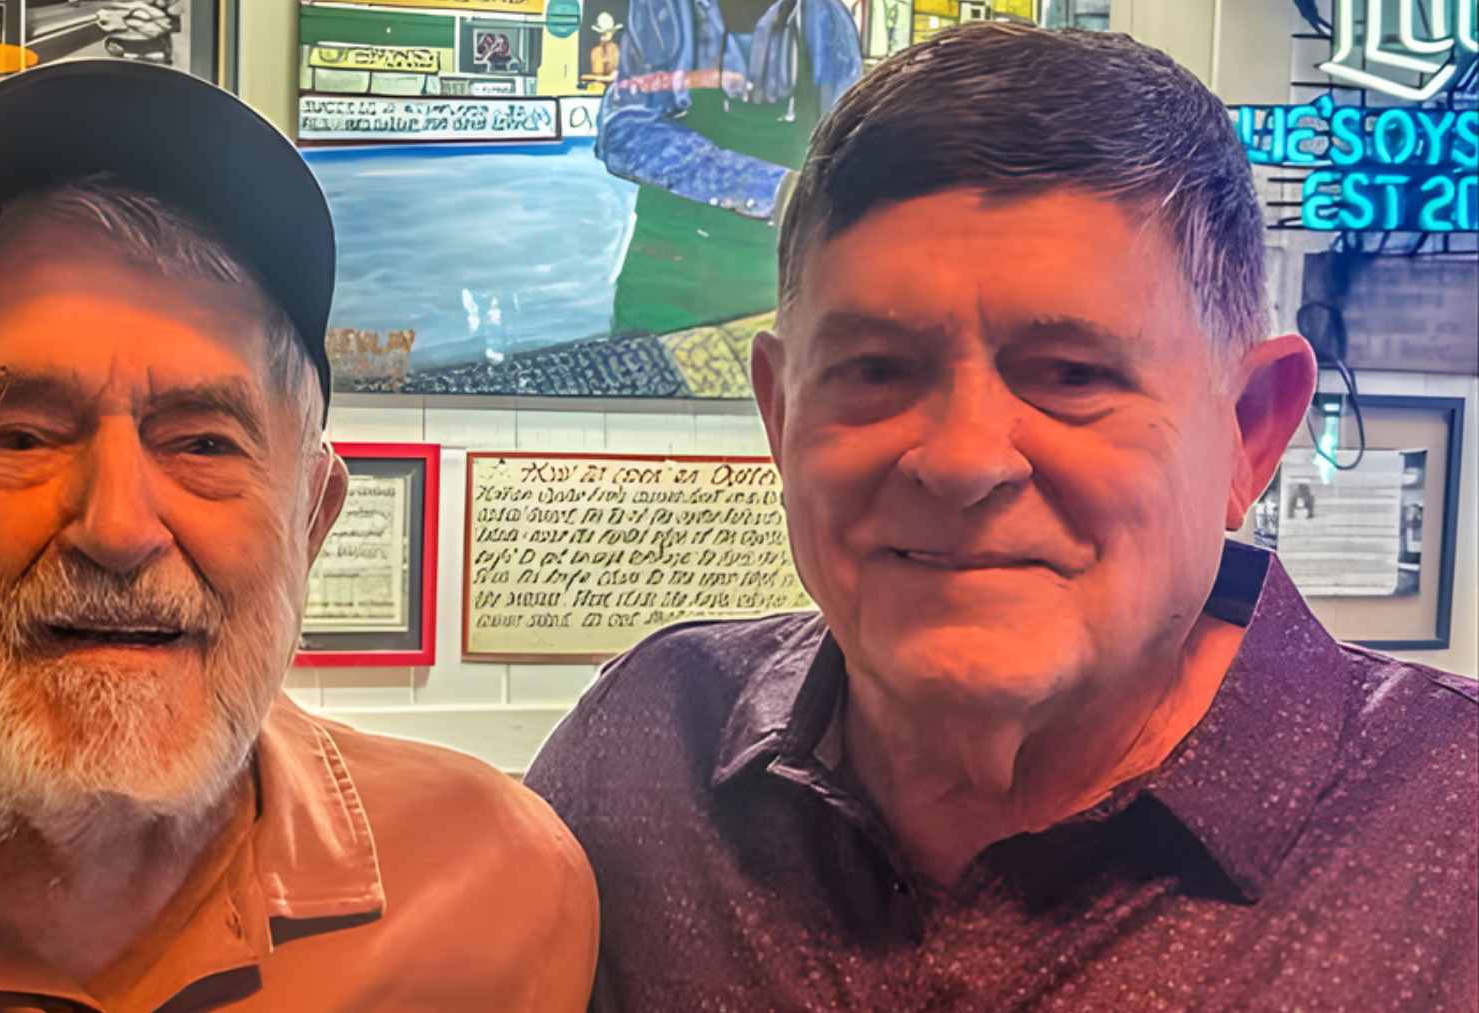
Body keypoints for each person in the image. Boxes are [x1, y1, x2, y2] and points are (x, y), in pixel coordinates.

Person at [527, 22, 1477, 1011]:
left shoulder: (1452, 834)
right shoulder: (644, 757)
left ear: (1249, 429)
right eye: (875, 370)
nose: (962, 460)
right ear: (781, 413)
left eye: (1071, 374)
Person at [0, 61, 597, 1011]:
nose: (116, 529)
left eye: (204, 443)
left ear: (313, 518)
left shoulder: (496, 891)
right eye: (21, 437)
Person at [595, 0, 862, 337]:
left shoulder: (825, 18)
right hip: (665, 277)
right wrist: (772, 189)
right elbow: (623, 131)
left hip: (772, 287)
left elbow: (848, 149)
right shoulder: (667, 8)